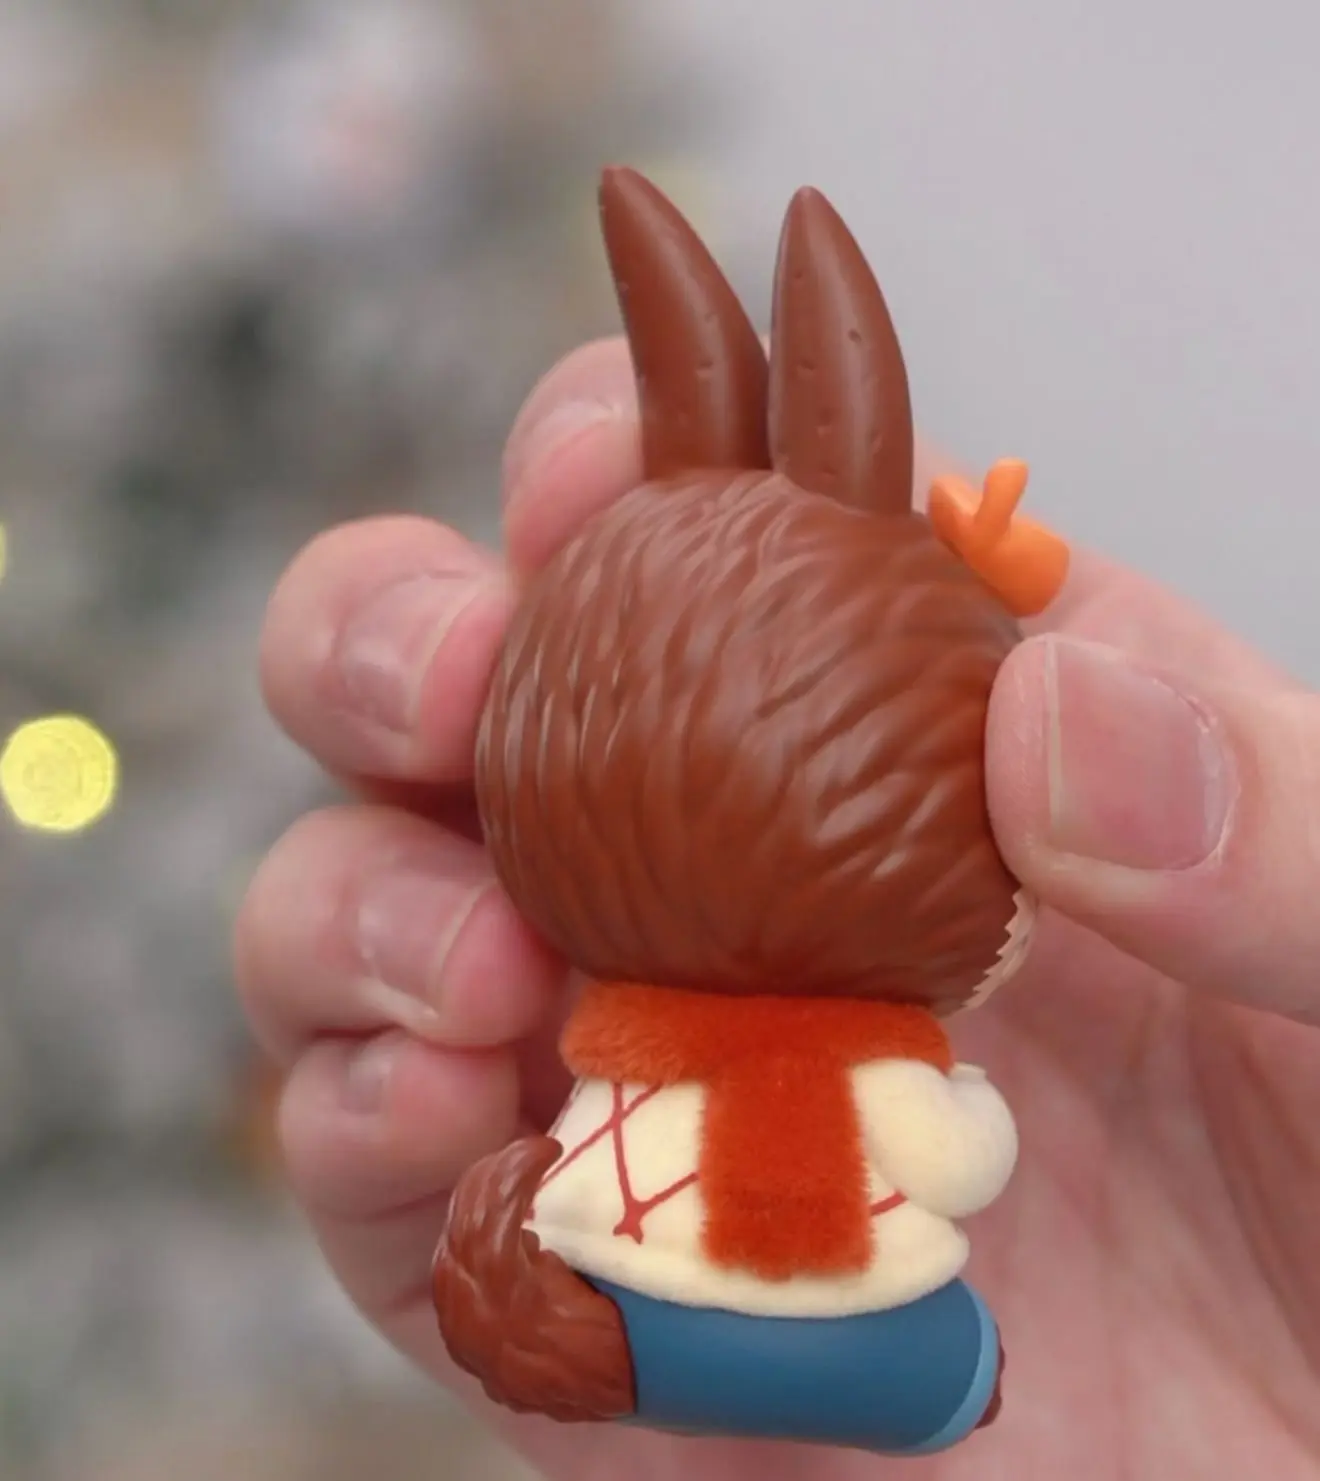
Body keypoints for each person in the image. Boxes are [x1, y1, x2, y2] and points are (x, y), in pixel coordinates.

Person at [233, 335, 1320, 1478]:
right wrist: (957, 1115)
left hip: (628, 1280)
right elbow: (958, 1158)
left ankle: (649, 1344)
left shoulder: (619, 1075)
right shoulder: (875, 1074)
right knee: (946, 1356)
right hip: (845, 1322)